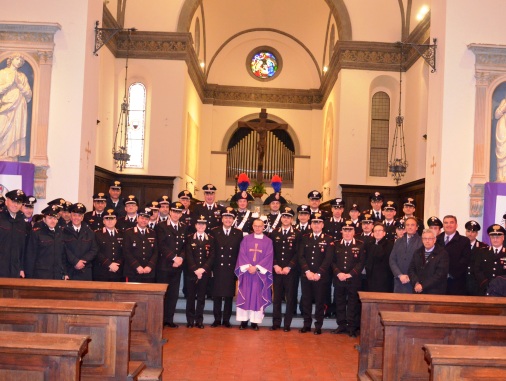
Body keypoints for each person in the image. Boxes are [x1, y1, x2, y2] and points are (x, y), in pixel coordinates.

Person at [298, 213, 334, 335]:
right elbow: (301, 256)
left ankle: (318, 325)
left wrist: (318, 273)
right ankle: (306, 324)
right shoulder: (305, 237)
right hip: (306, 275)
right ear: (311, 224)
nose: (316, 225)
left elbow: (328, 259)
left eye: (319, 223)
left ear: (323, 225)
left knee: (320, 301)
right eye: (314, 222)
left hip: (321, 276)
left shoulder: (328, 239)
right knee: (306, 300)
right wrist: (307, 271)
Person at [235, 218, 274, 330]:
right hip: (247, 273)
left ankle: (255, 322)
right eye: (255, 226)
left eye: (260, 226)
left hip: (259, 275)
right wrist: (248, 267)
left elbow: (269, 256)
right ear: (252, 226)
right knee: (246, 295)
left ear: (263, 227)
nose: (257, 228)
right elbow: (242, 253)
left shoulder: (268, 241)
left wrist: (256, 267)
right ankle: (243, 321)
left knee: (257, 296)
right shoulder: (246, 239)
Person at [155, 201, 187, 328]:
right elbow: (161, 245)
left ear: (181, 214)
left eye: (179, 212)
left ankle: (169, 319)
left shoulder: (184, 227)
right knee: (163, 294)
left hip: (177, 266)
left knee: (173, 294)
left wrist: (180, 258)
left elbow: (185, 246)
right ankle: (161, 320)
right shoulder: (161, 226)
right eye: (174, 211)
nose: (176, 214)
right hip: (164, 265)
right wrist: (174, 258)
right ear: (170, 211)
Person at [331, 219, 365, 337]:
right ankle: (341, 325)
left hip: (353, 279)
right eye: (345, 230)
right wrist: (338, 273)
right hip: (339, 278)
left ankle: (351, 326)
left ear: (354, 231)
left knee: (353, 303)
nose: (347, 233)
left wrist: (350, 274)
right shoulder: (336, 244)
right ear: (341, 231)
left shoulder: (360, 244)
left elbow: (361, 263)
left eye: (350, 230)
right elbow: (332, 261)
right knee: (339, 302)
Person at [210, 207, 243, 328]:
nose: (228, 220)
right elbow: (212, 251)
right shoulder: (214, 231)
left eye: (230, 218)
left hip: (231, 268)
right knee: (217, 295)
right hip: (218, 267)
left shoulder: (238, 233)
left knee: (229, 296)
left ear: (233, 220)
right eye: (226, 217)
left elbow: (240, 252)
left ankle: (226, 320)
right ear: (222, 219)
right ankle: (217, 319)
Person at [269, 206, 300, 332]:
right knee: (277, 298)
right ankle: (276, 322)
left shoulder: (297, 233)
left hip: (290, 271)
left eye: (288, 217)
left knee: (290, 298)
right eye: (284, 216)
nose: (286, 219)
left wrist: (289, 266)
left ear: (292, 219)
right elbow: (271, 251)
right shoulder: (274, 232)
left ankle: (287, 323)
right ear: (281, 218)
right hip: (277, 270)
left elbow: (298, 252)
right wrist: (275, 265)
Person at [0, 53, 32, 159]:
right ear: (11, 60)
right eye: (17, 59)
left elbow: (29, 95)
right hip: (6, 105)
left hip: (19, 106)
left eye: (21, 61)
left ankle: (11, 154)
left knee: (16, 129)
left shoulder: (22, 76)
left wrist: (19, 85)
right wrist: (9, 84)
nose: (19, 62)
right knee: (2, 126)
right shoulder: (3, 73)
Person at [185, 215, 215, 328]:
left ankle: (199, 320)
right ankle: (190, 320)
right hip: (191, 273)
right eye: (199, 224)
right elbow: (188, 255)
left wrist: (203, 269)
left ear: (206, 226)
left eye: (203, 224)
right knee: (191, 297)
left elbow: (212, 256)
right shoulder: (189, 238)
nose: (201, 226)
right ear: (195, 225)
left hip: (204, 273)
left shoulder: (210, 239)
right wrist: (195, 269)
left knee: (201, 297)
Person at [24, 205, 67, 280]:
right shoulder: (36, 233)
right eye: (50, 218)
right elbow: (30, 256)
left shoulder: (60, 233)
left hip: (57, 274)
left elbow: (63, 256)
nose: (53, 221)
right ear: (44, 219)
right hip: (41, 275)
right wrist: (29, 277)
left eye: (55, 218)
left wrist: (65, 272)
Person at [436, 215, 471, 295]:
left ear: (456, 225)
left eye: (451, 222)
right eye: (446, 223)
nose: (448, 225)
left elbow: (465, 261)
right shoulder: (436, 239)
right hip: (438, 282)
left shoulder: (464, 241)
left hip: (456, 282)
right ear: (443, 225)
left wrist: (450, 274)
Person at [62, 203, 98, 281]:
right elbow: (63, 249)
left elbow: (94, 249)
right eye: (74, 215)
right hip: (70, 269)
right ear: (71, 216)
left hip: (85, 270)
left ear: (82, 217)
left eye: (79, 215)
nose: (76, 218)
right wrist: (75, 261)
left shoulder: (89, 231)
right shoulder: (64, 231)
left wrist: (82, 261)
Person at [408, 229, 449, 294]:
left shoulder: (442, 254)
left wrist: (423, 286)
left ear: (434, 240)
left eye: (430, 239)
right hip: (418, 290)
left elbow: (440, 274)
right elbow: (411, 270)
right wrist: (416, 283)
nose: (427, 241)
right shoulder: (417, 252)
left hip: (434, 292)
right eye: (425, 238)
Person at [123, 206, 158, 283]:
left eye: (146, 219)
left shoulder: (153, 233)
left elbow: (156, 252)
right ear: (137, 218)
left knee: (147, 294)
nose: (144, 221)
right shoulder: (129, 232)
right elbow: (126, 252)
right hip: (132, 271)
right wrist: (137, 266)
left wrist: (149, 266)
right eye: (142, 218)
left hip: (148, 271)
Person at [389, 217, 423, 293]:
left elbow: (422, 262)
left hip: (414, 283)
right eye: (407, 225)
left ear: (417, 227)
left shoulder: (421, 241)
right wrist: (399, 275)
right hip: (399, 282)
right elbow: (392, 260)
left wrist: (411, 277)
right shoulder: (398, 241)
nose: (410, 227)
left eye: (412, 225)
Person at [0, 189, 27, 278]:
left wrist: (22, 268)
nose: (16, 205)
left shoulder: (21, 222)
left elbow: (22, 247)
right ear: (7, 201)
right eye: (13, 201)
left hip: (15, 268)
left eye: (18, 202)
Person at [93, 209, 124, 282]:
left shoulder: (122, 234)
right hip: (102, 271)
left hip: (118, 271)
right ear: (103, 221)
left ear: (116, 220)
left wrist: (117, 264)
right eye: (107, 219)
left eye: (112, 219)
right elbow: (96, 251)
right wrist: (109, 264)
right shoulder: (97, 234)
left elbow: (125, 251)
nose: (110, 221)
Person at [474, 224, 506, 295]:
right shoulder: (482, 252)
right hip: (484, 289)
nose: (495, 239)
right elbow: (477, 269)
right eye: (492, 237)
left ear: (503, 238)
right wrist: (485, 283)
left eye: (498, 237)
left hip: (503, 291)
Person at [364, 222, 394, 292]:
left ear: (384, 233)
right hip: (370, 278)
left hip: (384, 278)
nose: (377, 233)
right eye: (375, 231)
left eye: (380, 231)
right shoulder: (369, 244)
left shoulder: (389, 245)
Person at [465, 220, 488, 295]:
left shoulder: (483, 247)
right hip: (462, 281)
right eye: (468, 231)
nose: (470, 234)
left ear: (477, 234)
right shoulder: (459, 245)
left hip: (476, 283)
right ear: (466, 232)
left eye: (473, 232)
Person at [495, 96, 506, 181]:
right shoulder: (504, 101)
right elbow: (496, 115)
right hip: (503, 128)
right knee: (502, 150)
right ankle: (501, 177)